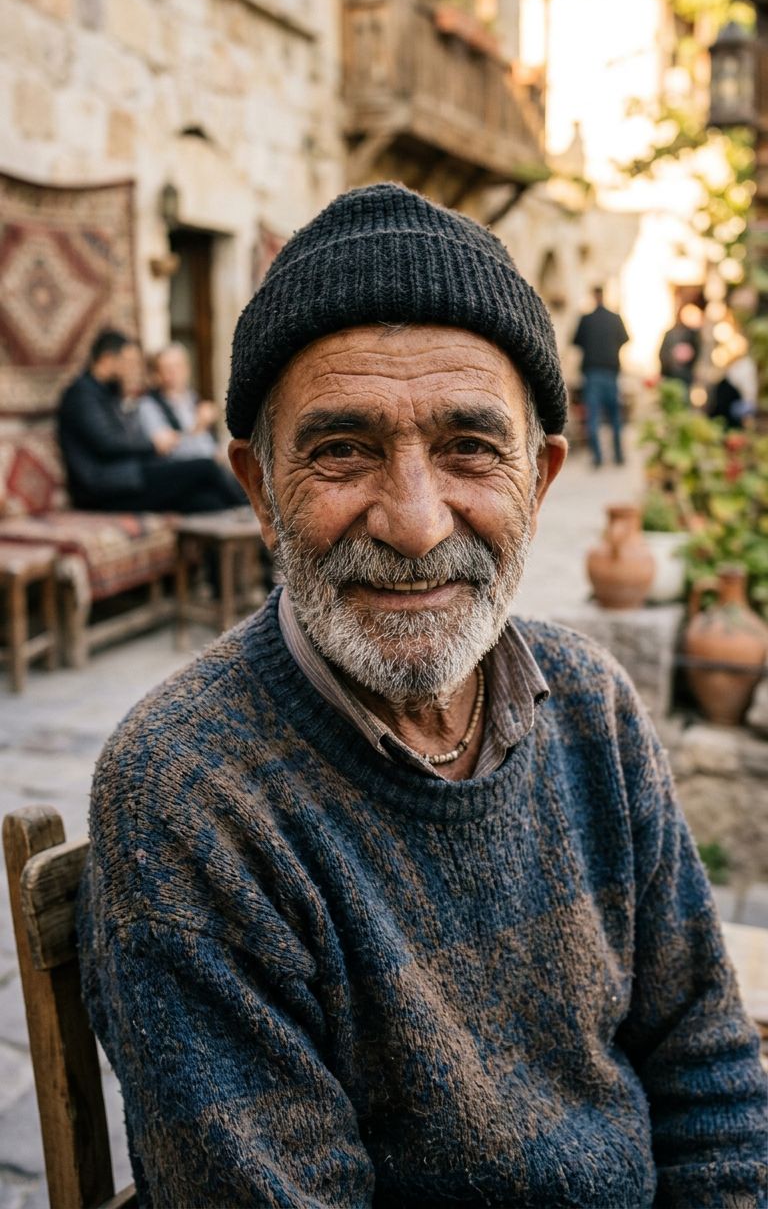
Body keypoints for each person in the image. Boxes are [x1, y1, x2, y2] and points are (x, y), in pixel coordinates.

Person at [78, 187, 767, 1209]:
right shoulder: (187, 792)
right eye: (343, 449)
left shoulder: (592, 701)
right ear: (261, 489)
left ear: (541, 479)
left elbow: (706, 1060)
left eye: (470, 449)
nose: (412, 520)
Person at [58, 329, 243, 513]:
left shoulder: (107, 393)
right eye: (127, 363)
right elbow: (107, 443)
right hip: (106, 489)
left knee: (207, 502)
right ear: (107, 360)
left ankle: (254, 532)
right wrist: (153, 445)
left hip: (129, 477)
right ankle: (258, 514)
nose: (131, 370)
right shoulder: (82, 395)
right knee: (206, 466)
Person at [572, 286, 629, 467]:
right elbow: (625, 339)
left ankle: (598, 458)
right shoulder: (615, 318)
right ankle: (618, 456)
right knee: (615, 417)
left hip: (592, 372)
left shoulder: (586, 319)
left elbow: (576, 341)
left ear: (593, 296)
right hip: (611, 371)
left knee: (593, 417)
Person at [136, 342, 221, 462]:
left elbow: (210, 445)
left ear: (188, 368)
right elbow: (166, 449)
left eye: (178, 366)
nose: (174, 372)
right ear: (157, 374)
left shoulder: (194, 398)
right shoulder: (148, 404)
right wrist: (198, 427)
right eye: (167, 368)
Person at [659, 305, 701, 388]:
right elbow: (662, 354)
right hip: (670, 375)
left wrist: (690, 355)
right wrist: (673, 356)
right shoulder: (670, 333)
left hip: (686, 376)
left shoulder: (694, 336)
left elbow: (698, 355)